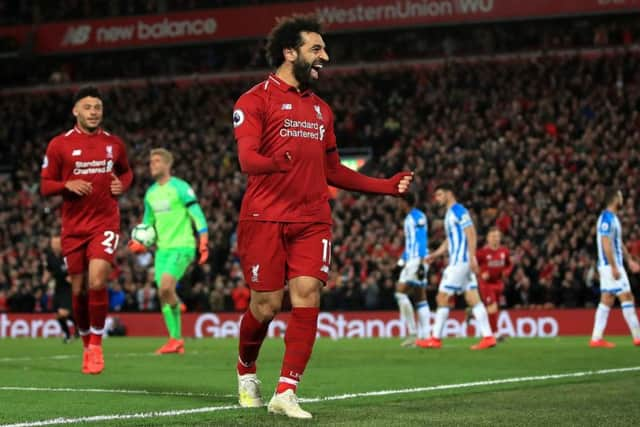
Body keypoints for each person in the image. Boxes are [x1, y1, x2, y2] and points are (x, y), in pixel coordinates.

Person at [232, 16, 413, 419]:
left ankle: (287, 390)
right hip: (264, 217)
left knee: (308, 294)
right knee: (265, 306)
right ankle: (246, 370)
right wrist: (273, 162)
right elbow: (246, 158)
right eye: (317, 49)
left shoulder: (321, 110)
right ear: (289, 53)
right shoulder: (254, 100)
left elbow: (333, 171)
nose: (325, 57)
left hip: (313, 219)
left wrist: (386, 185)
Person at [40, 86, 133, 374]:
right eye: (88, 107)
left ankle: (96, 344)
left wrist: (124, 184)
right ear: (76, 111)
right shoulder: (59, 145)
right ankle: (85, 343)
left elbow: (127, 171)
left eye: (97, 107)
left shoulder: (114, 144)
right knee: (78, 289)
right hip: (73, 228)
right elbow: (45, 185)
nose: (94, 112)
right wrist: (65, 185)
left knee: (97, 280)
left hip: (104, 223)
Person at [128, 148, 209, 354]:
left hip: (183, 246)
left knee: (165, 288)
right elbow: (147, 224)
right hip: (162, 250)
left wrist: (204, 241)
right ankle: (175, 340)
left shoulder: (180, 188)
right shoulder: (151, 193)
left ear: (167, 164)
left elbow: (197, 215)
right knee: (164, 295)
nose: (152, 165)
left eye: (156, 161)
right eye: (150, 162)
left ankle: (176, 303)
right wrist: (141, 244)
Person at [416, 183, 496, 350]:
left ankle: (435, 338)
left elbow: (471, 232)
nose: (437, 199)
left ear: (448, 193)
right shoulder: (449, 214)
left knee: (442, 296)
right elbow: (449, 240)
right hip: (462, 261)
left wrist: (472, 256)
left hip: (460, 261)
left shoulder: (458, 210)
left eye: (439, 195)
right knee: (472, 298)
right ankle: (488, 337)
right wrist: (435, 255)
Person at [590, 188, 640, 347]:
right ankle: (638, 336)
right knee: (626, 296)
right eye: (620, 196)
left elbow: (617, 242)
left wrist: (629, 260)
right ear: (614, 199)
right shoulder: (606, 218)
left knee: (607, 300)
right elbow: (606, 243)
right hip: (610, 265)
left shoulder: (613, 218)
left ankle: (596, 338)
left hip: (612, 264)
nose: (622, 198)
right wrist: (613, 266)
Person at [394, 193, 431, 347]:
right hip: (412, 259)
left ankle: (413, 333)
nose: (398, 205)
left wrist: (422, 262)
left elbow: (421, 239)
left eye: (399, 201)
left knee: (400, 293)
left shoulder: (417, 217)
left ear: (404, 202)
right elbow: (411, 243)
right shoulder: (410, 218)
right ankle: (426, 336)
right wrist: (401, 260)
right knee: (420, 297)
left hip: (417, 260)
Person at [475, 227, 512, 340]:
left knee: (493, 309)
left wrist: (505, 272)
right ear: (488, 238)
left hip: (498, 283)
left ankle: (475, 315)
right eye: (492, 236)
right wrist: (481, 273)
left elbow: (509, 265)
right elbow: (473, 265)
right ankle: (495, 333)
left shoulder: (504, 251)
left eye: (497, 236)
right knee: (492, 307)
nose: (495, 239)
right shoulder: (482, 253)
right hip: (486, 284)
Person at [45, 235, 77, 343]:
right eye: (52, 243)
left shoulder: (67, 255)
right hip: (58, 287)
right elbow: (49, 269)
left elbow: (75, 267)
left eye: (56, 243)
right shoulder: (50, 256)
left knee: (64, 313)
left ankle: (79, 327)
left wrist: (72, 276)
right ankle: (68, 334)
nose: (54, 246)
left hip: (68, 288)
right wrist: (45, 278)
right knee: (57, 315)